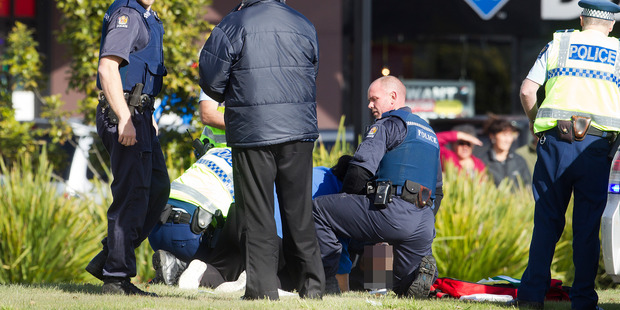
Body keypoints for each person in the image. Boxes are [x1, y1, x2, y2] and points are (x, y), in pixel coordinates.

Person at [198, 0, 323, 300]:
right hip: (298, 131)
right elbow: (312, 70)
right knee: (299, 213)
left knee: (257, 214)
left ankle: (263, 289)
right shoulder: (303, 23)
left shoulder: (233, 24)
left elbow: (211, 82)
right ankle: (313, 287)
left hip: (253, 131)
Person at [515, 1, 620, 309]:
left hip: (553, 145)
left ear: (581, 18)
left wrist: (536, 123)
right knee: (587, 228)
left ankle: (531, 297)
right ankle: (584, 300)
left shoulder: (558, 43)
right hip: (597, 148)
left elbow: (526, 90)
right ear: (611, 24)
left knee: (546, 222)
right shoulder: (618, 53)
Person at [313, 76, 442, 298]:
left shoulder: (388, 124)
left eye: (374, 99)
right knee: (404, 288)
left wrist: (347, 203)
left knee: (319, 210)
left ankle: (329, 281)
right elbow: (438, 191)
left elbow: (360, 170)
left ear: (393, 97)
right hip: (424, 222)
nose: (370, 105)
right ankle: (396, 285)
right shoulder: (429, 133)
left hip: (391, 212)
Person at [86, 0, 169, 297]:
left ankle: (109, 258)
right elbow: (108, 69)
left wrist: (148, 119)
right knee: (131, 195)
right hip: (124, 114)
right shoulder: (128, 16)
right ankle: (116, 278)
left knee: (158, 187)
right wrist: (125, 118)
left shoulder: (147, 17)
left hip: (141, 115)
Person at [480, 115, 531, 187]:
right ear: (492, 136)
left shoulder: (519, 160)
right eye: (504, 135)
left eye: (510, 135)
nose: (507, 140)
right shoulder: (483, 162)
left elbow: (528, 186)